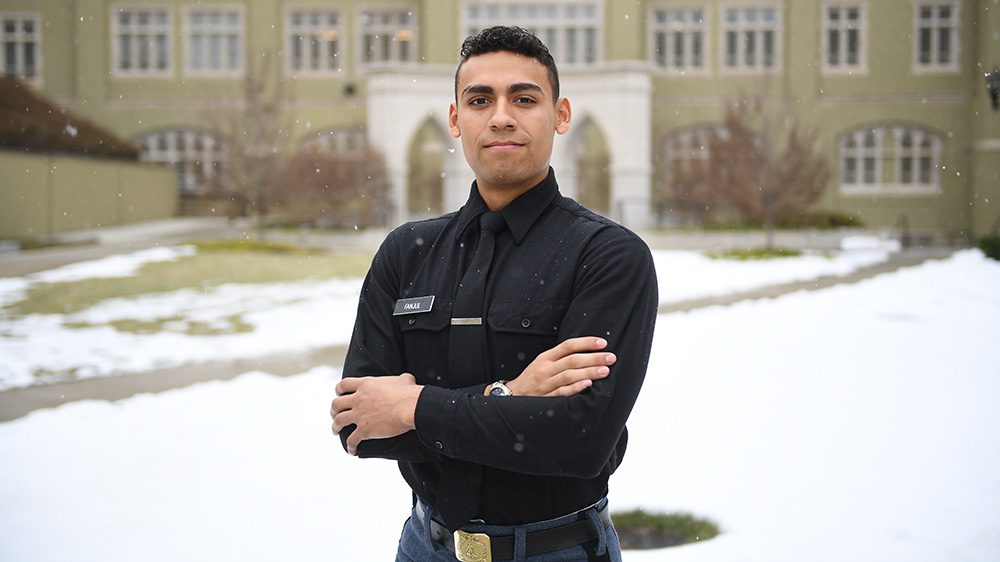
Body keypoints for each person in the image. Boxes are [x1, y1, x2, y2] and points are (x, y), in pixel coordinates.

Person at [330, 26, 658, 562]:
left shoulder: (608, 256)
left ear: (560, 115)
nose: (501, 116)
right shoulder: (406, 253)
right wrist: (506, 397)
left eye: (524, 98)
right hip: (425, 547)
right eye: (480, 99)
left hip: (558, 551)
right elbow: (360, 426)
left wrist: (413, 407)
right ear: (456, 119)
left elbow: (581, 440)